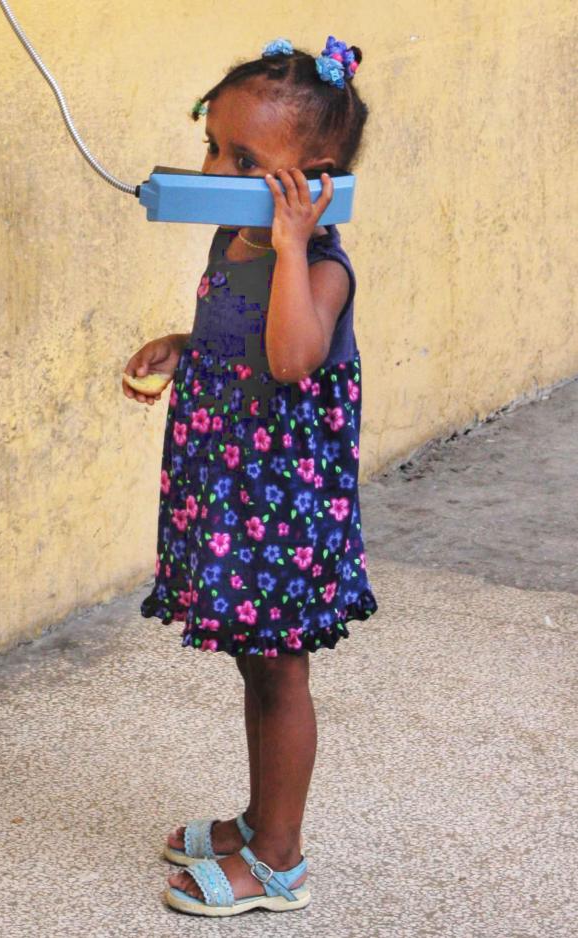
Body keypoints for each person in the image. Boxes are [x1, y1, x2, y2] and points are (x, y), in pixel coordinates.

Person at [123, 35, 378, 917]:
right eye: (212, 146)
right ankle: (258, 815)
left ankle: (280, 858)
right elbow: (244, 347)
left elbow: (292, 355)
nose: (211, 169)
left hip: (282, 508)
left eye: (237, 160)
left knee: (279, 673)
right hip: (233, 494)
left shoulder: (323, 268)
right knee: (255, 665)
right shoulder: (236, 242)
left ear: (311, 181)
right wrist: (188, 344)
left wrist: (295, 242)